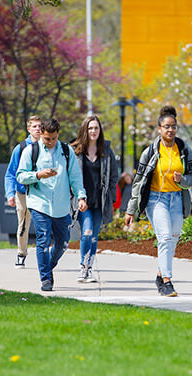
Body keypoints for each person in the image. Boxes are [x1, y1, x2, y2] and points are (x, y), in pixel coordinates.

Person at [125, 105, 192, 297]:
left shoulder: (183, 149)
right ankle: (167, 281)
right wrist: (131, 210)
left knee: (173, 239)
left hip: (177, 198)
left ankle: (159, 275)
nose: (170, 130)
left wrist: (181, 180)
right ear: (159, 128)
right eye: (166, 126)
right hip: (155, 200)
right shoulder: (150, 152)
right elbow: (138, 182)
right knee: (165, 237)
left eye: (173, 126)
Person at [16, 118, 87, 292]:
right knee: (43, 239)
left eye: (54, 138)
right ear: (41, 134)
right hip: (39, 204)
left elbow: (75, 177)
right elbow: (20, 176)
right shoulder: (30, 151)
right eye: (48, 139)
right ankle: (46, 279)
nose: (51, 142)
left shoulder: (66, 151)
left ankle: (48, 265)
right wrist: (38, 175)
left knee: (63, 242)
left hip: (62, 206)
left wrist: (81, 196)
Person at [71, 115, 119, 282]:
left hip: (100, 201)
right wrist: (76, 197)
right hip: (82, 200)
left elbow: (114, 175)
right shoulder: (75, 150)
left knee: (93, 236)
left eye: (96, 128)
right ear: (85, 130)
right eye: (90, 128)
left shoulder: (106, 149)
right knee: (87, 231)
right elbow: (70, 176)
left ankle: (89, 268)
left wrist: (111, 198)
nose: (93, 131)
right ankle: (83, 267)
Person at [5, 116, 42, 268]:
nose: (38, 129)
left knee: (43, 224)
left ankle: (44, 255)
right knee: (23, 224)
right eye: (34, 126)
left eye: (40, 126)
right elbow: (10, 173)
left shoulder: (47, 147)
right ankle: (21, 253)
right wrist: (9, 194)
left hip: (41, 192)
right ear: (29, 129)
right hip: (22, 193)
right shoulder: (20, 148)